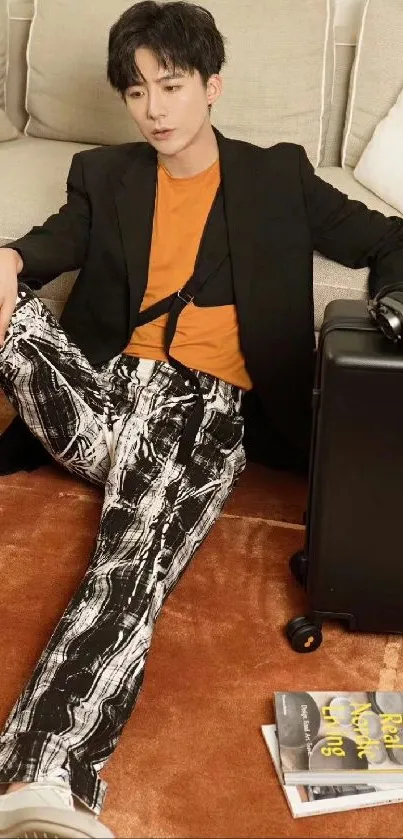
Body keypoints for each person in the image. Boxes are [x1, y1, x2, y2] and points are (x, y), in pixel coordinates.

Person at [1, 2, 403, 837]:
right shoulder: (106, 175)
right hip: (103, 392)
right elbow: (49, 244)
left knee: (127, 564)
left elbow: (387, 239)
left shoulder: (276, 175)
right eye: (138, 91)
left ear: (212, 85)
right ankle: (42, 777)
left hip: (199, 408)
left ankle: (40, 775)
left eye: (171, 86)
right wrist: (6, 260)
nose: (154, 109)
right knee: (5, 304)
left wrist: (394, 303)